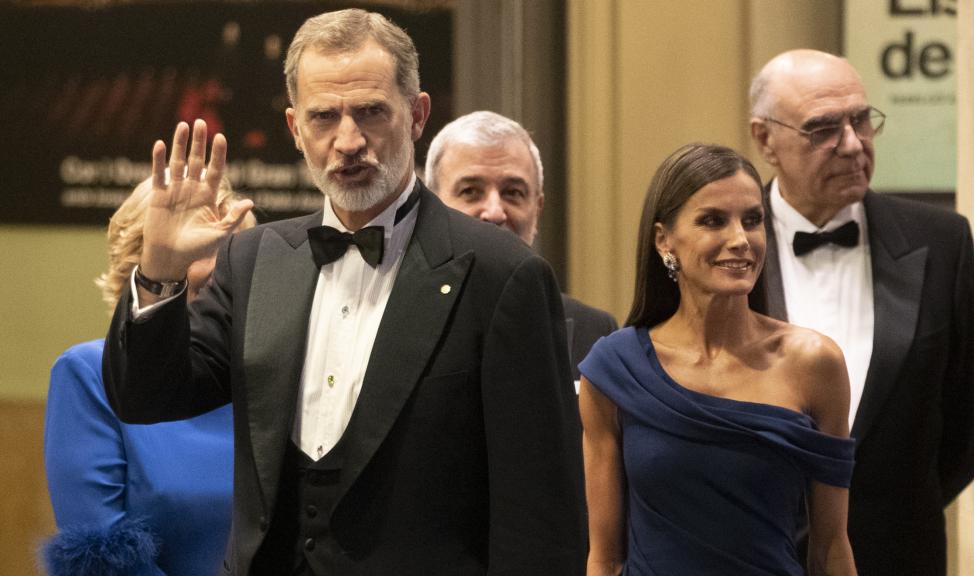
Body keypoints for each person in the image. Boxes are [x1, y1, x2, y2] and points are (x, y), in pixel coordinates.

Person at [102, 9, 586, 575]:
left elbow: (541, 518)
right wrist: (160, 270)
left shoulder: (505, 276)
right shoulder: (255, 259)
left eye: (371, 112)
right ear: (294, 128)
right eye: (324, 116)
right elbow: (147, 396)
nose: (348, 140)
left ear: (417, 115)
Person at [748, 49, 974, 574]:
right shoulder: (725, 250)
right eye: (823, 129)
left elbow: (970, 434)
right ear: (766, 139)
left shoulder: (942, 241)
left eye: (860, 120)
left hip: (899, 556)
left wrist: (888, 518)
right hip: (752, 555)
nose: (853, 144)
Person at [579, 143, 857, 575]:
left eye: (752, 220)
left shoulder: (814, 363)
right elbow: (605, 557)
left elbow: (831, 549)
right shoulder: (615, 369)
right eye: (713, 221)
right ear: (663, 239)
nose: (740, 240)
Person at [41, 176, 254, 575]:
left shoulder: (267, 372)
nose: (215, 269)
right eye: (199, 247)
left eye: (232, 253)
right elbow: (103, 559)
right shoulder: (88, 372)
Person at [425, 110, 617, 384]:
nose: (494, 212)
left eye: (513, 192)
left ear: (537, 209)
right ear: (431, 207)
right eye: (470, 191)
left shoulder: (596, 332)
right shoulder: (396, 321)